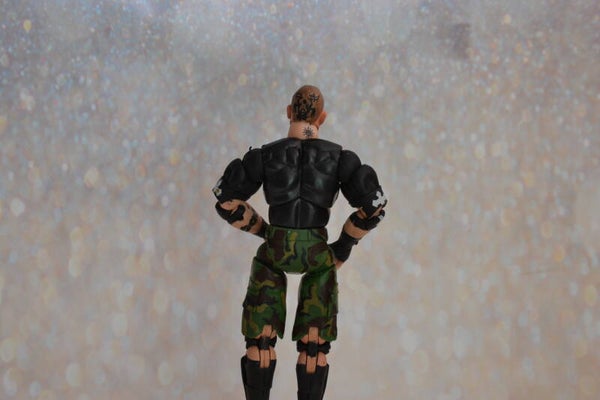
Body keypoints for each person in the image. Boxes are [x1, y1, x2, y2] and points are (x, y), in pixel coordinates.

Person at [212, 85, 387, 400]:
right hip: (317, 253)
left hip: (275, 249)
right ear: (323, 117)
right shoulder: (340, 159)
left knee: (260, 341)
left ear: (289, 112)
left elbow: (226, 200)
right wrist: (344, 245)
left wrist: (264, 231)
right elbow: (374, 207)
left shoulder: (265, 156)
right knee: (314, 346)